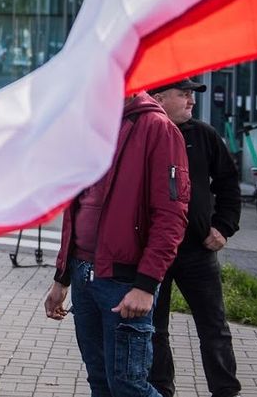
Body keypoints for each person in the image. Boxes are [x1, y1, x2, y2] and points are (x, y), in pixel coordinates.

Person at [44, 92, 191, 397]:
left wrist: (146, 285)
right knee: (100, 382)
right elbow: (76, 208)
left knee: (128, 386)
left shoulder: (157, 127)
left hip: (125, 281)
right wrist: (62, 278)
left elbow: (171, 217)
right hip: (84, 274)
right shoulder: (92, 124)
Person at [148, 79, 242, 397]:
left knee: (214, 327)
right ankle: (160, 390)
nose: (191, 101)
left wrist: (223, 227)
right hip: (153, 253)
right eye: (184, 95)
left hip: (197, 252)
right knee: (153, 329)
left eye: (192, 95)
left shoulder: (204, 135)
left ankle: (225, 391)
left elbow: (228, 182)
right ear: (159, 98)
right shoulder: (142, 134)